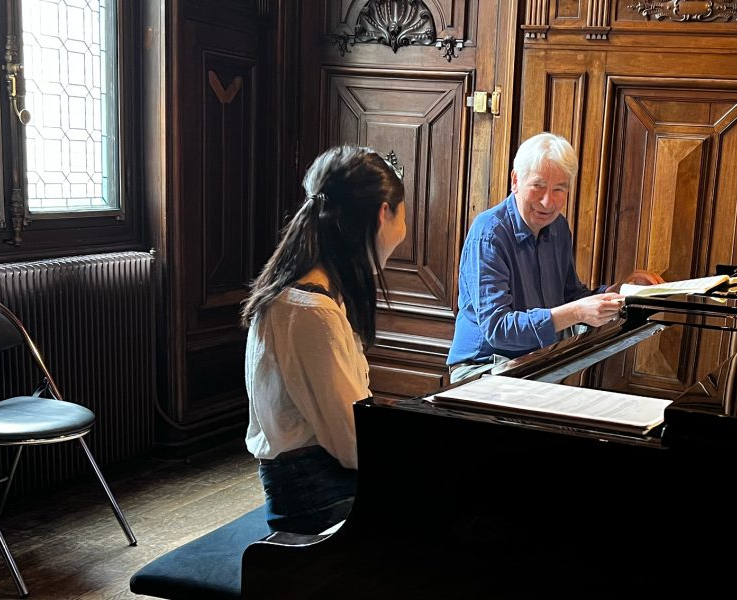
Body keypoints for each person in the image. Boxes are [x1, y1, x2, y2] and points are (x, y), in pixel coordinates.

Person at [240, 145, 407, 534]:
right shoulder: (311, 310)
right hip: (316, 497)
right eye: (403, 214)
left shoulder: (303, 290)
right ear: (384, 213)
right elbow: (351, 444)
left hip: (312, 483)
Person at [447, 132, 663, 382]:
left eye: (559, 189)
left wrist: (625, 290)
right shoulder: (489, 233)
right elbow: (498, 329)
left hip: (536, 362)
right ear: (515, 180)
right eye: (538, 186)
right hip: (483, 368)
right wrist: (576, 313)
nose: (548, 202)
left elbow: (573, 296)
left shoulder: (559, 228)